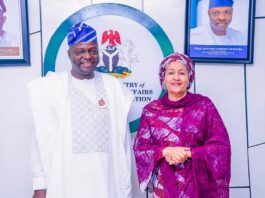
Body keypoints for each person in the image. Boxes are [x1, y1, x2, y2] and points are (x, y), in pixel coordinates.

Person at [28, 22, 133, 198]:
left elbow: (123, 142)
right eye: (80, 52)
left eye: (92, 50)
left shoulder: (113, 86)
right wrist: (40, 184)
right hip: (65, 182)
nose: (88, 56)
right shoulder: (52, 87)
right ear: (69, 54)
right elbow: (39, 139)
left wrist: (124, 185)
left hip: (106, 181)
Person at [133, 53, 231, 197]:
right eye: (171, 73)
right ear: (163, 78)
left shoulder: (204, 106)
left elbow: (221, 147)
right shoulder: (151, 110)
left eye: (182, 73)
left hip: (198, 185)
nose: (176, 78)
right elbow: (141, 147)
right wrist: (166, 152)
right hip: (163, 186)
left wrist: (188, 153)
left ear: (189, 77)